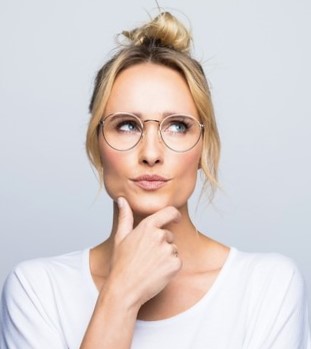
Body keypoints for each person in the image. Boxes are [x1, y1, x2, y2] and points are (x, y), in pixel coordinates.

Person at [0, 10, 310, 349]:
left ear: (203, 148)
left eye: (177, 126)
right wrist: (121, 295)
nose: (151, 153)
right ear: (96, 144)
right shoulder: (37, 290)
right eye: (127, 125)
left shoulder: (267, 287)